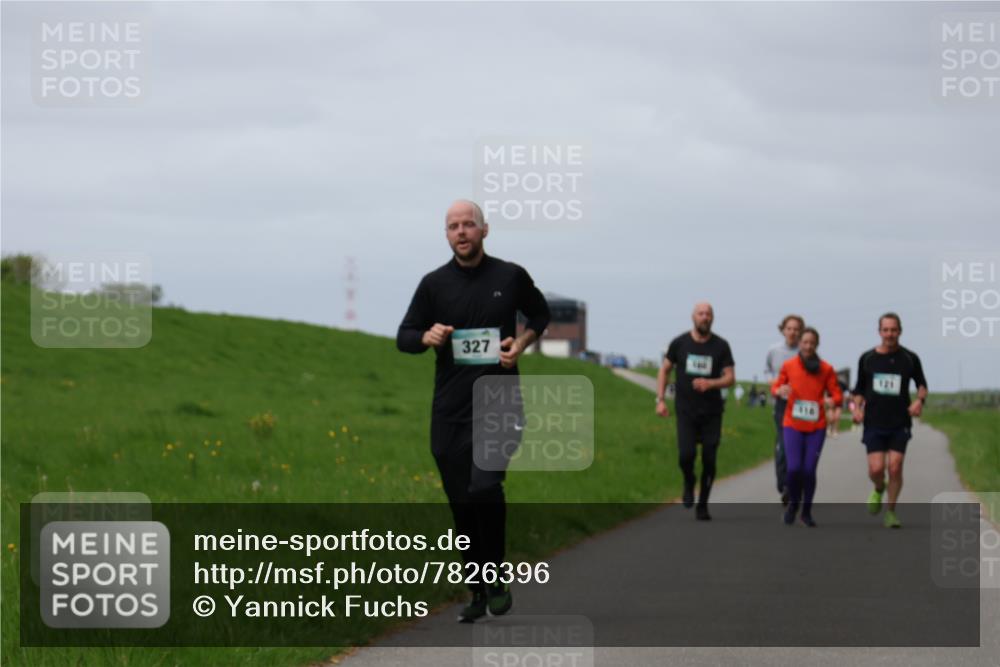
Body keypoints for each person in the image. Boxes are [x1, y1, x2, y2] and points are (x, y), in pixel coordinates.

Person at [396, 200, 551, 621]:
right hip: (449, 409)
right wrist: (426, 335)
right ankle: (478, 589)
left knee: (484, 487)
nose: (461, 231)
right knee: (461, 502)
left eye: (469, 224)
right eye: (453, 226)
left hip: (500, 401)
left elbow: (541, 312)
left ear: (485, 230)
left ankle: (496, 575)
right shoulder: (433, 285)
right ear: (446, 235)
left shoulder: (510, 276)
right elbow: (403, 336)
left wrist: (520, 344)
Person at [655, 302, 736, 521]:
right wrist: (660, 400)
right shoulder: (680, 343)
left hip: (712, 412)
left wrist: (711, 384)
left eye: (708, 314)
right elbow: (664, 370)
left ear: (713, 318)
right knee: (686, 456)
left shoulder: (721, 346)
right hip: (686, 411)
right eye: (701, 313)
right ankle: (689, 481)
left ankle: (703, 505)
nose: (705, 317)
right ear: (693, 317)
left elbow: (730, 377)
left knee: (709, 459)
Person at [850, 313, 928, 529]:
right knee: (876, 469)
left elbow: (922, 385)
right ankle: (878, 488)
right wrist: (857, 408)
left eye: (893, 330)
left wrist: (919, 401)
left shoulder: (910, 358)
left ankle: (891, 512)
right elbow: (858, 390)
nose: (890, 334)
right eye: (886, 330)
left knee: (895, 467)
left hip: (899, 422)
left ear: (900, 331)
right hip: (874, 422)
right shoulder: (867, 358)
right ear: (879, 332)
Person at [771, 327, 842, 527]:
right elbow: (776, 387)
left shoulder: (826, 369)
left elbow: (837, 395)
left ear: (817, 345)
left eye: (812, 343)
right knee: (793, 469)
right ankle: (794, 504)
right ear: (800, 344)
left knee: (809, 470)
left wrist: (831, 400)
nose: (808, 346)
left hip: (816, 426)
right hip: (792, 424)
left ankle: (807, 511)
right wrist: (780, 389)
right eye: (805, 342)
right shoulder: (789, 365)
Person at [765, 315, 804, 505]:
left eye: (797, 329)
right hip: (782, 404)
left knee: (798, 446)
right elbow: (768, 373)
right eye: (789, 328)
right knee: (783, 446)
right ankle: (784, 485)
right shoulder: (774, 351)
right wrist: (777, 387)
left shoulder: (806, 352)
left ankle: (794, 484)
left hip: (802, 407)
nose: (793, 332)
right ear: (783, 330)